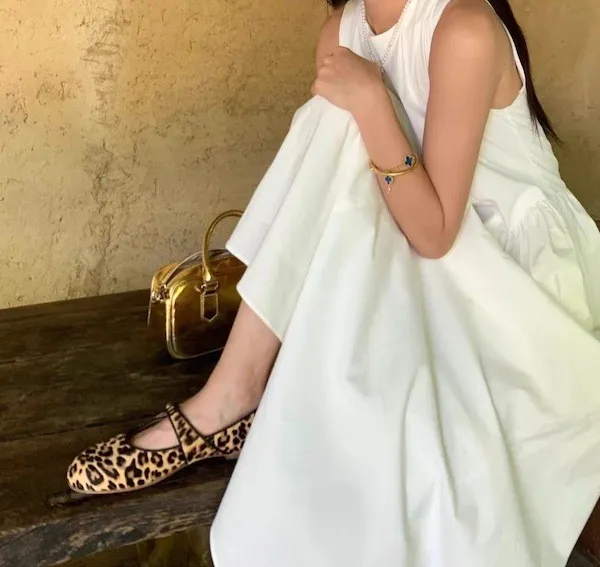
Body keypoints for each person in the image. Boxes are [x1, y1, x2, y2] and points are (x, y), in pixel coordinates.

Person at [67, 0, 600, 565]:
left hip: (516, 285)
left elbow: (436, 233)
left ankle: (230, 395)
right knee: (339, 117)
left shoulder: (463, 29)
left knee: (347, 113)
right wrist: (364, 106)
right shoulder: (341, 31)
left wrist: (371, 101)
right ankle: (236, 391)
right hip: (422, 260)